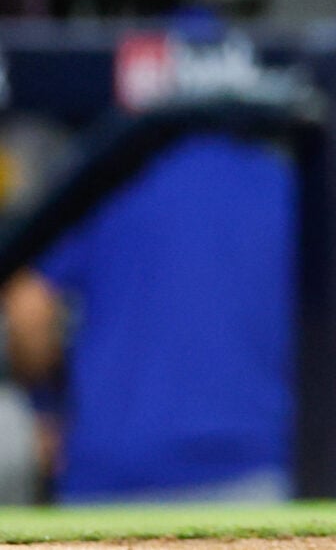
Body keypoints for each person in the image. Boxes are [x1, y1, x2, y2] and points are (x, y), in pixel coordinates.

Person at [4, 126, 296, 501]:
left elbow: (29, 307)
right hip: (251, 469)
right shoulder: (277, 180)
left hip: (111, 470)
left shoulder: (109, 178)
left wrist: (46, 405)